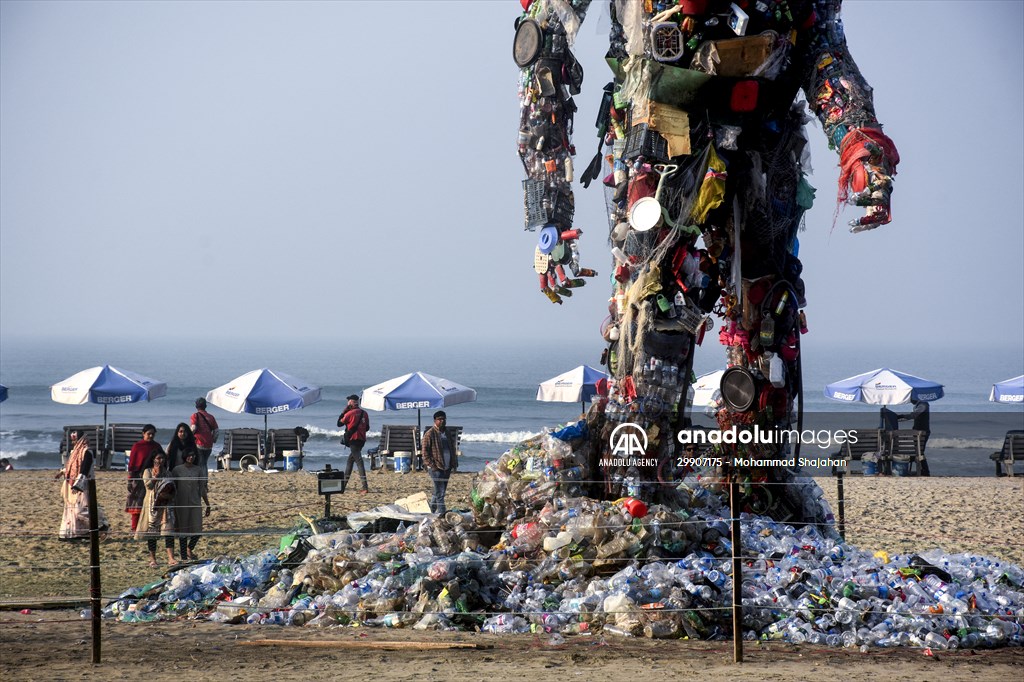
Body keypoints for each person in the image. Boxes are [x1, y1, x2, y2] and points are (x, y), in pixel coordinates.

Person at [514, 0, 897, 525]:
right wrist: (550, 210)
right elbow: (541, 46)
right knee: (657, 319)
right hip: (662, 138)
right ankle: (639, 489)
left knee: (769, 328)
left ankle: (754, 492)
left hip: (767, 142)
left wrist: (859, 137)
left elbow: (821, 44)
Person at [56, 429, 109, 539]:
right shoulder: (75, 452)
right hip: (72, 484)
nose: (74, 442)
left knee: (81, 510)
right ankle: (76, 534)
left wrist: (78, 483)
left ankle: (102, 525)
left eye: (75, 439)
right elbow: (72, 468)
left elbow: (84, 469)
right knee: (71, 509)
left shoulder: (87, 452)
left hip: (83, 485)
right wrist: (63, 472)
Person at [136, 451, 177, 567]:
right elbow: (148, 486)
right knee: (152, 532)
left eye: (163, 458)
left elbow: (173, 488)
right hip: (152, 504)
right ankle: (153, 559)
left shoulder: (168, 473)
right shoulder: (147, 471)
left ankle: (171, 558)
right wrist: (157, 476)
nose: (161, 461)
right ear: (153, 459)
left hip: (166, 504)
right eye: (158, 458)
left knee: (168, 531)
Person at [172, 447, 210, 561]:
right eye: (189, 455)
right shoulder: (177, 470)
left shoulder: (198, 470)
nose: (191, 457)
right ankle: (184, 557)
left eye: (193, 455)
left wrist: (207, 504)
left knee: (197, 529)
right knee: (183, 531)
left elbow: (202, 488)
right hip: (181, 503)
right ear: (184, 456)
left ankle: (189, 549)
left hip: (195, 502)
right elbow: (172, 488)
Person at [126, 424, 163, 532]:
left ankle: (150, 527)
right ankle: (134, 528)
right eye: (148, 434)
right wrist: (130, 480)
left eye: (153, 434)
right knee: (137, 504)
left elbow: (162, 459)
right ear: (143, 434)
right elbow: (132, 464)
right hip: (138, 477)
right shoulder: (137, 446)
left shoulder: (156, 446)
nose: (151, 436)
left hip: (154, 476)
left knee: (152, 502)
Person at [421, 411, 458, 515]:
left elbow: (452, 449)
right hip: (436, 467)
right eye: (440, 419)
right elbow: (424, 453)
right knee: (440, 494)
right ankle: (442, 514)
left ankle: (430, 511)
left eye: (444, 419)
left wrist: (453, 464)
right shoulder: (429, 434)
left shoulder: (447, 432)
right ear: (435, 421)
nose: (442, 421)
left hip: (447, 467)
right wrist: (432, 466)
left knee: (438, 492)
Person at [337, 394, 370, 494]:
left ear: (351, 402)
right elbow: (367, 428)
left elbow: (339, 423)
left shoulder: (349, 413)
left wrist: (344, 411)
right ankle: (343, 485)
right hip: (362, 440)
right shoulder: (364, 413)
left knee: (359, 462)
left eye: (348, 401)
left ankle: (365, 487)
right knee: (350, 461)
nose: (347, 403)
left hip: (353, 440)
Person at [899, 398, 931, 476]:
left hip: (922, 432)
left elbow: (914, 415)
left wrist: (901, 416)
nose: (910, 400)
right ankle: (924, 470)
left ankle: (925, 471)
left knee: (919, 452)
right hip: (919, 432)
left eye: (911, 398)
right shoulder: (920, 405)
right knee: (919, 451)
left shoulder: (923, 405)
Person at [190, 397, 219, 481]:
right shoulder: (211, 417)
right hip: (209, 445)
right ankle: (203, 480)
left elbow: (193, 428)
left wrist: (189, 436)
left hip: (199, 443)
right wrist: (213, 440)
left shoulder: (195, 416)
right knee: (204, 462)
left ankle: (203, 481)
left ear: (196, 406)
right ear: (205, 406)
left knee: (201, 463)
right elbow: (216, 431)